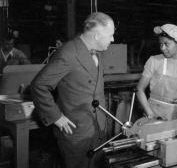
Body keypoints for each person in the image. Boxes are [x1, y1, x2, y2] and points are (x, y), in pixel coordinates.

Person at [31, 12, 115, 168]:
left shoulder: (97, 53)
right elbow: (39, 85)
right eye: (110, 35)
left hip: (98, 127)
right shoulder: (68, 53)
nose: (113, 39)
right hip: (76, 131)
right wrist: (56, 117)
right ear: (97, 35)